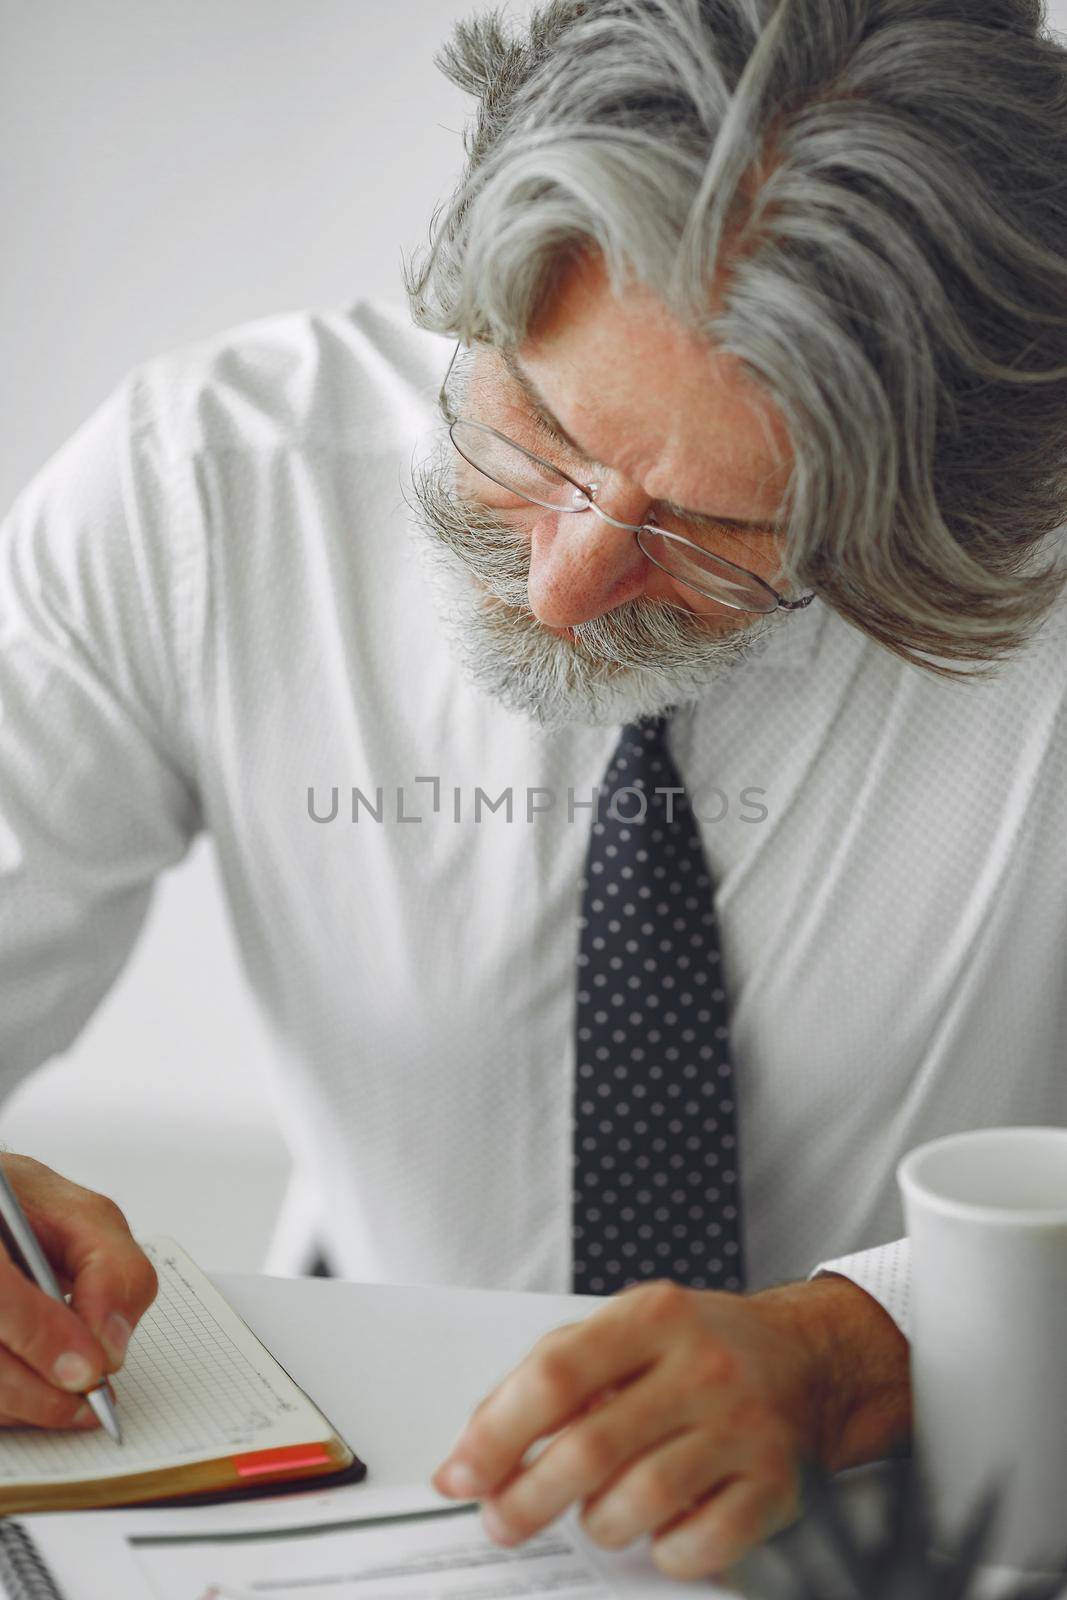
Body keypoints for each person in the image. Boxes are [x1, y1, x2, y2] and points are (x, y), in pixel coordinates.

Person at [2, 0, 1066, 1581]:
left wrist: (865, 1345)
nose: (566, 583)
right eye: (537, 426)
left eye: (716, 535)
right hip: (349, 1494)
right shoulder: (204, 494)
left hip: (961, 1501)